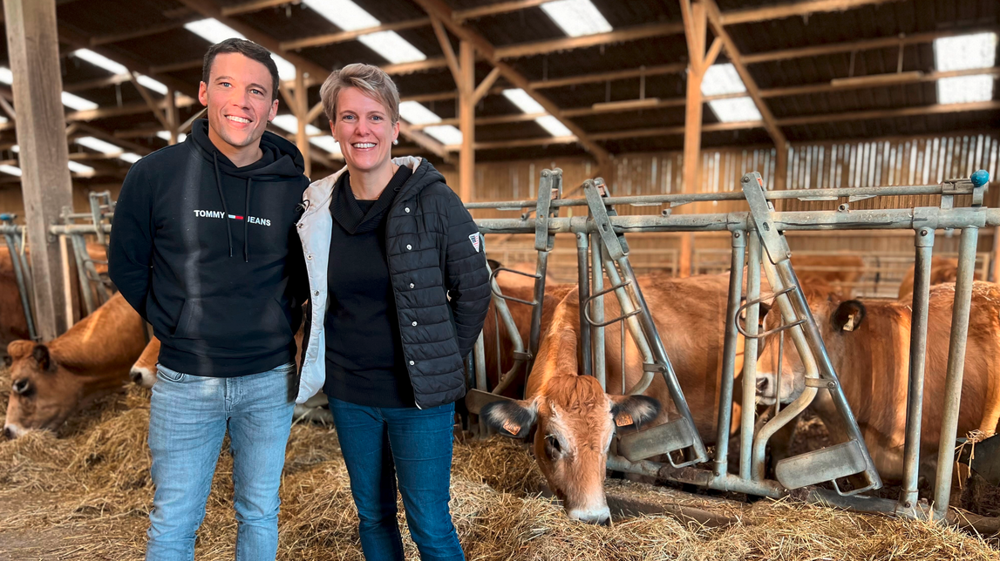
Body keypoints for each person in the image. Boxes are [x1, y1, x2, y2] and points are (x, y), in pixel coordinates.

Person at [109, 38, 310, 561]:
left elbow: (303, 275)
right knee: (175, 518)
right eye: (226, 85)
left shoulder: (297, 190)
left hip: (269, 380)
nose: (241, 101)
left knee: (259, 511)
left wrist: (275, 321)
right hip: (185, 379)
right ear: (203, 93)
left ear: (273, 107)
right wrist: (176, 323)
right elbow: (126, 263)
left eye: (256, 91)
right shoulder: (154, 175)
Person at [294, 63, 490, 560]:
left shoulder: (434, 201)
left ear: (395, 128)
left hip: (417, 398)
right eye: (349, 117)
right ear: (334, 127)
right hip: (349, 393)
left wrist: (439, 358)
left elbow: (473, 290)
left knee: (430, 523)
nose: (363, 129)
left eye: (375, 117)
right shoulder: (318, 207)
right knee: (373, 515)